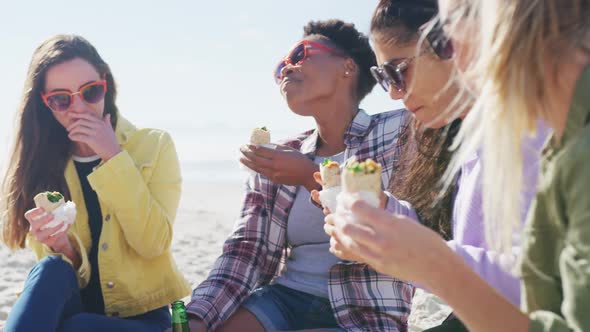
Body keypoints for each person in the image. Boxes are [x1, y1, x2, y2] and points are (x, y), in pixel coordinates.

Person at [327, 0, 590, 331]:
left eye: (399, 70)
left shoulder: (540, 134)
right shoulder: (477, 138)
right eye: (384, 77)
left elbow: (533, 290)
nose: (394, 93)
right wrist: (390, 227)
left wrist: (430, 261)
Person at [180, 19, 412, 332]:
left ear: (347, 67)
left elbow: (402, 228)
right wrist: (197, 318)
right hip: (283, 300)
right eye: (281, 67)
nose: (287, 70)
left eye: (300, 55)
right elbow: (247, 250)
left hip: (365, 309)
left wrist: (309, 175)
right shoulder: (280, 155)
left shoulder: (398, 132)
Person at [2, 35, 191, 332]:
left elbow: (153, 244)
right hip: (72, 310)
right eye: (61, 99)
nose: (78, 108)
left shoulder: (154, 146)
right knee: (51, 269)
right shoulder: (40, 165)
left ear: (106, 85)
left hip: (141, 318)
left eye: (89, 92)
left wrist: (113, 156)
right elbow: (61, 279)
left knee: (79, 327)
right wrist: (65, 248)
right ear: (46, 104)